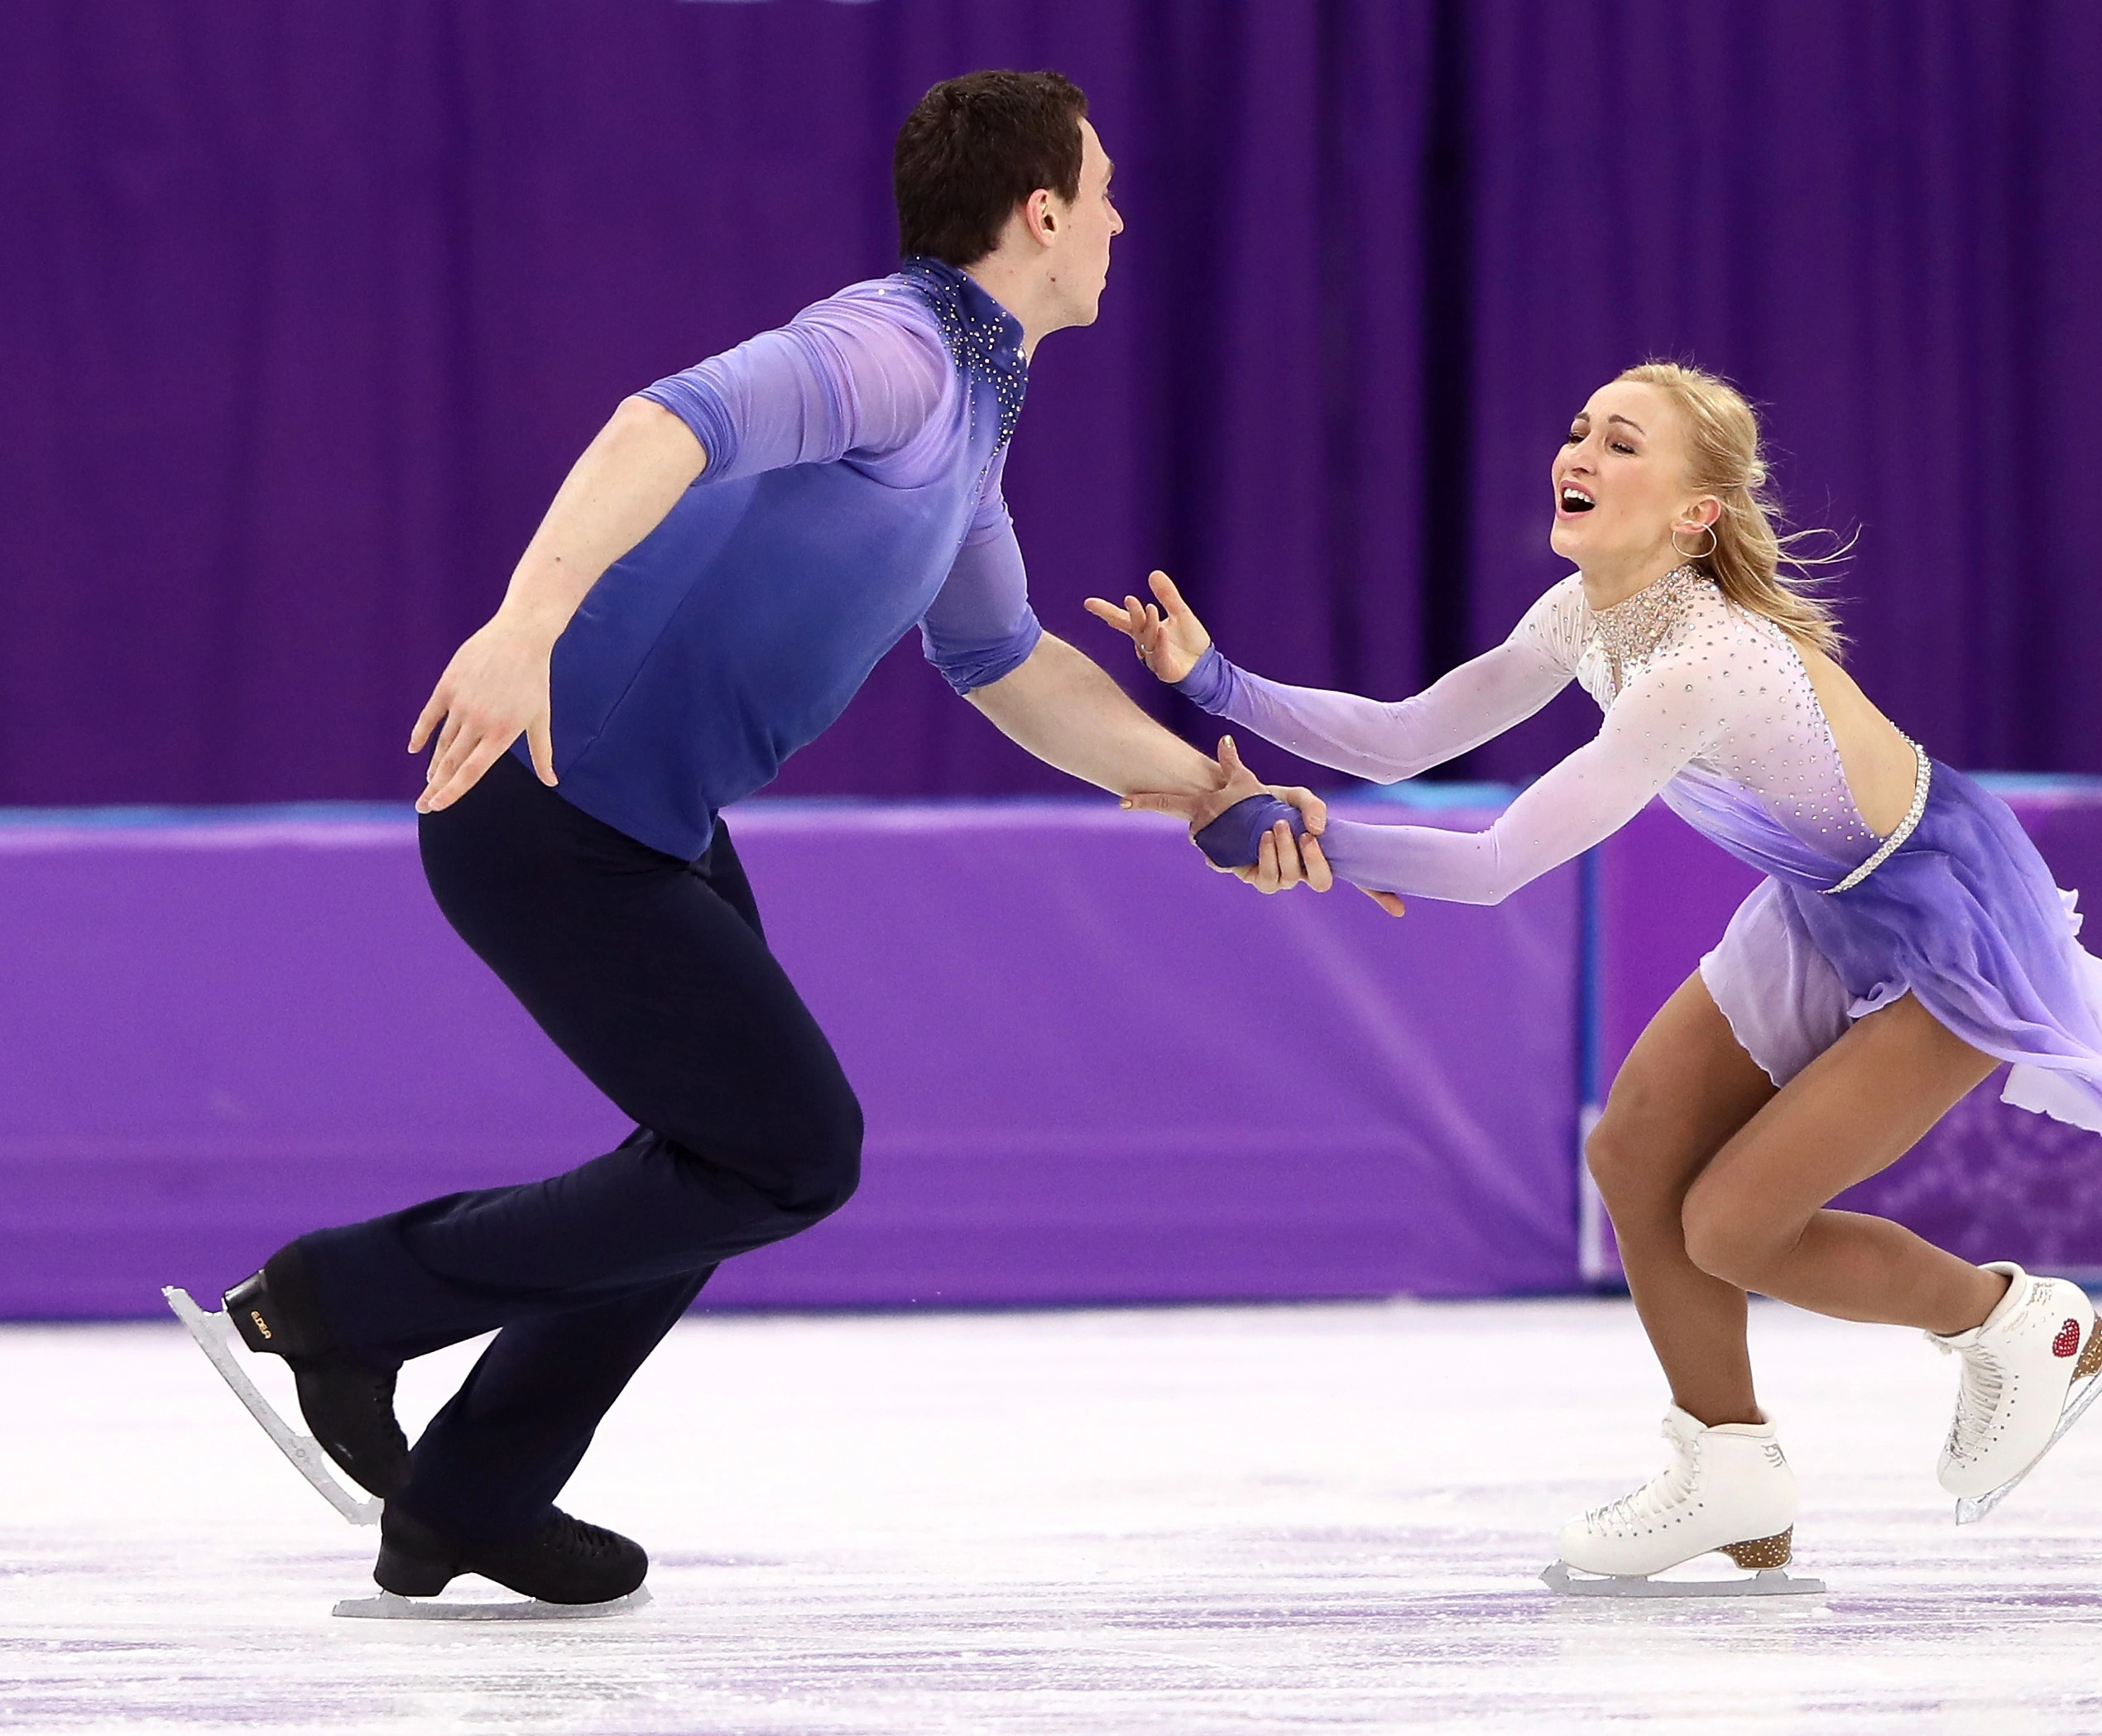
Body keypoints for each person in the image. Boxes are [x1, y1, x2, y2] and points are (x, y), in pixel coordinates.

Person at [214, 70, 1320, 1609]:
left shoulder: (973, 402)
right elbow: (662, 423)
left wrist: (1209, 787)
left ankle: (466, 1491)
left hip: (646, 827)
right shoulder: (891, 349)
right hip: (542, 811)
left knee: (722, 1157)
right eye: (1108, 192)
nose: (1125, 220)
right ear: (1043, 213)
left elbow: (1005, 663)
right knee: (790, 1151)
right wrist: (521, 625)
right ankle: (341, 1298)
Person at [1090, 359, 2102, 1583]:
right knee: (1634, 1153)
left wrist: (1306, 842)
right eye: (1576, 433)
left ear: (1694, 513)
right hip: (1825, 903)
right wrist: (1210, 684)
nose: (1580, 455)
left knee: (1731, 1223)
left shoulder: (1701, 665)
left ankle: (2021, 1323)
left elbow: (1501, 863)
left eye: (1619, 443)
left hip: (1950, 921)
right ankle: (1730, 1470)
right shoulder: (1582, 614)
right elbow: (1406, 734)